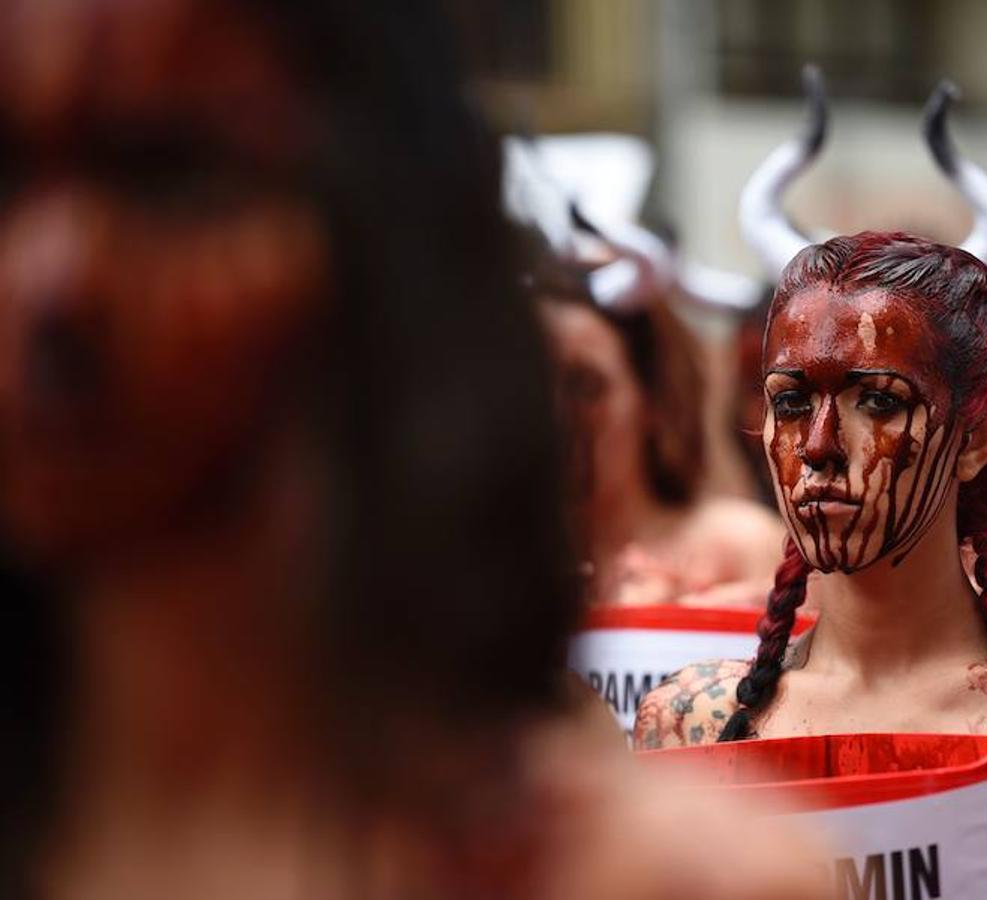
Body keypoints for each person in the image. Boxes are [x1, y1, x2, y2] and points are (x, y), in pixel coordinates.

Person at [0, 3, 825, 899]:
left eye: (167, 173)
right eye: (6, 183)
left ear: (380, 241)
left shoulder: (654, 879)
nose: (52, 279)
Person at [637, 84, 987, 899]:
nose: (820, 448)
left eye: (879, 401)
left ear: (976, 436)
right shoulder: (687, 726)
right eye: (792, 402)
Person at [515, 175, 784, 609]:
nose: (554, 413)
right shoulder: (490, 562)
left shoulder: (743, 547)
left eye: (584, 386)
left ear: (655, 399)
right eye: (533, 381)